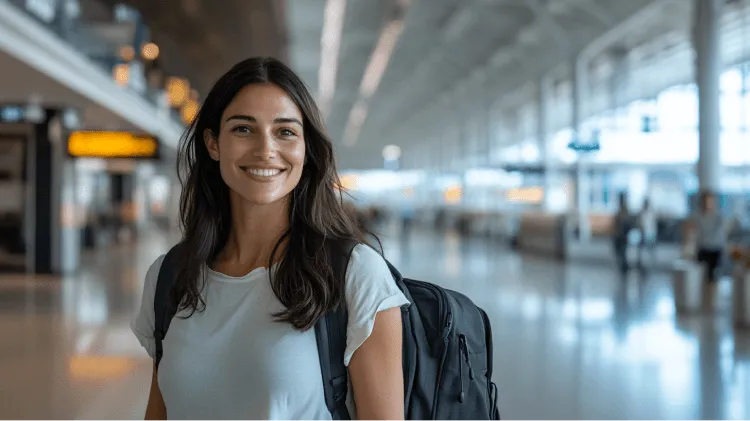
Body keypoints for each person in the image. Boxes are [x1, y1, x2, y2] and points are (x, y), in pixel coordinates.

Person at [131, 57, 409, 421]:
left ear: (306, 147)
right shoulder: (170, 276)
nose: (265, 149)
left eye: (285, 132)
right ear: (214, 144)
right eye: (244, 129)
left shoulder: (356, 276)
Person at [689, 190, 729, 285]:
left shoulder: (718, 216)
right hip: (702, 249)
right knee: (700, 278)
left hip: (715, 250)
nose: (708, 204)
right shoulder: (696, 216)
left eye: (710, 201)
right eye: (706, 201)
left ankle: (711, 298)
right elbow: (691, 234)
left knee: (713, 279)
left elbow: (723, 233)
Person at [612, 192, 632, 276]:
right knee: (621, 254)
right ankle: (623, 268)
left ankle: (625, 269)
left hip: (622, 237)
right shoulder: (620, 211)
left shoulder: (624, 212)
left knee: (622, 253)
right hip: (619, 237)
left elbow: (626, 224)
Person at [636, 198, 658, 272]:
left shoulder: (651, 213)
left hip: (650, 234)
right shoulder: (642, 213)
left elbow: (652, 225)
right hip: (643, 234)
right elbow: (639, 223)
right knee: (642, 251)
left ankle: (649, 265)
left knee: (649, 250)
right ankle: (642, 264)